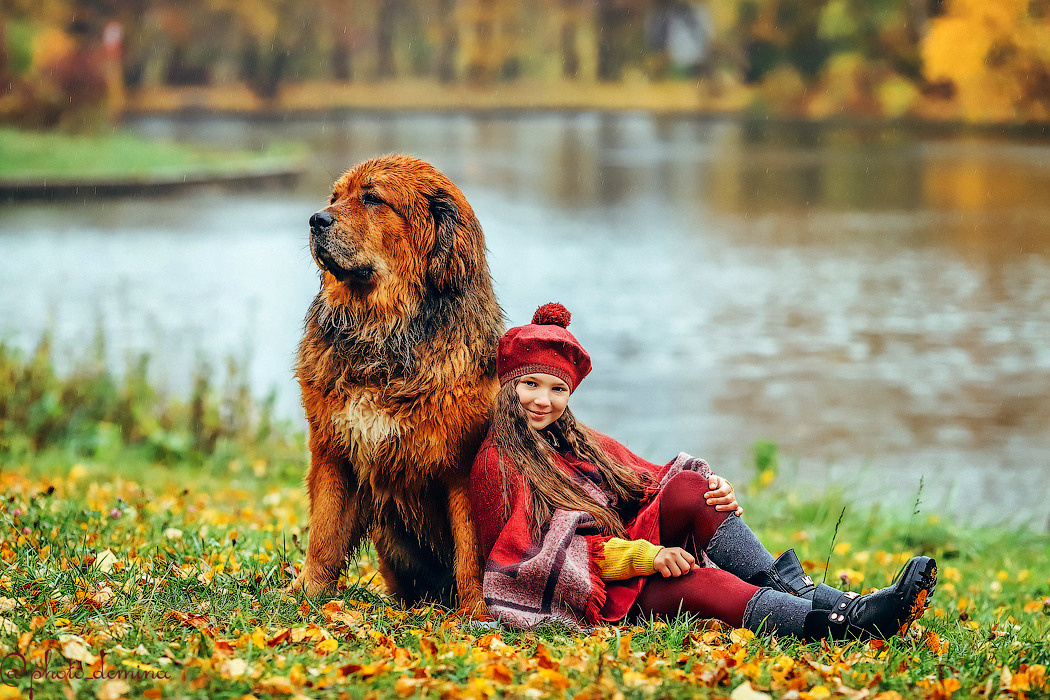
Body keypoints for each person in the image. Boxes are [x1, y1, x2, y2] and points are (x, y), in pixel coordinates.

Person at [470, 303, 937, 637]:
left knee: (693, 488)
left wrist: (718, 492)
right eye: (530, 384)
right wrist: (644, 558)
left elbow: (653, 482)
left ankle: (842, 604)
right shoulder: (498, 461)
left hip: (628, 555)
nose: (542, 400)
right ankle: (840, 625)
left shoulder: (576, 439)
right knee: (704, 584)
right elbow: (530, 554)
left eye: (557, 389)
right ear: (508, 382)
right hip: (593, 593)